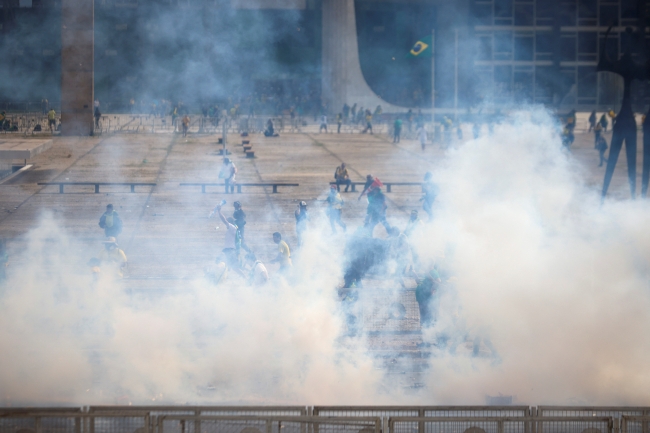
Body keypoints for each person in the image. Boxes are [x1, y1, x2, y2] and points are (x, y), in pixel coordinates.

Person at [213, 203, 246, 277]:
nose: (226, 224)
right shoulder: (234, 228)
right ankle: (244, 278)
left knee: (221, 262)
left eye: (227, 222)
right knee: (232, 267)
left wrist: (219, 211)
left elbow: (223, 220)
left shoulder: (231, 227)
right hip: (229, 250)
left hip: (229, 250)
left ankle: (244, 278)